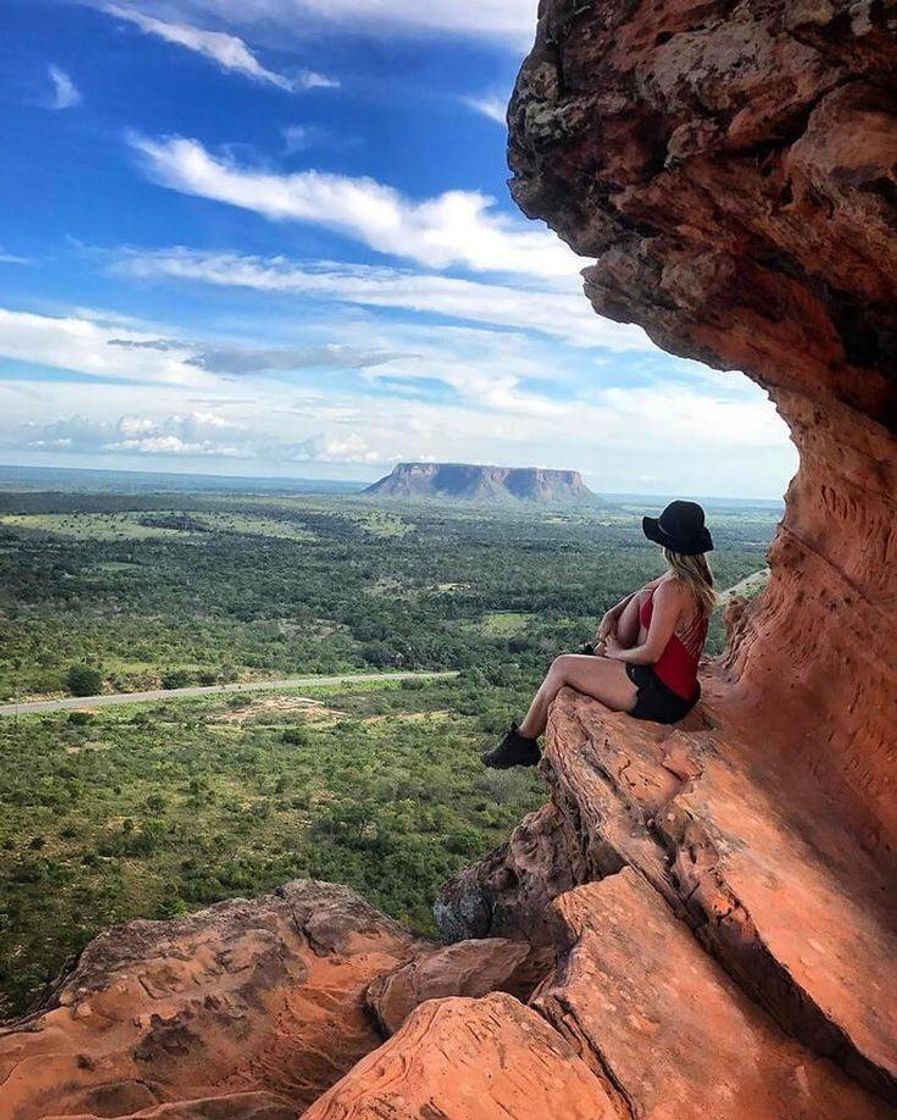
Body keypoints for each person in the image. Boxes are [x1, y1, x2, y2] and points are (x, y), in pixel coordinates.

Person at [482, 500, 715, 769]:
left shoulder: (672, 591)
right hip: (679, 690)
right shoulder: (691, 580)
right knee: (641, 598)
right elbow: (645, 590)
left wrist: (616, 653)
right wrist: (612, 613)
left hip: (661, 696)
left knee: (562, 666)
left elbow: (652, 654)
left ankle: (522, 743)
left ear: (668, 546)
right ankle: (598, 658)